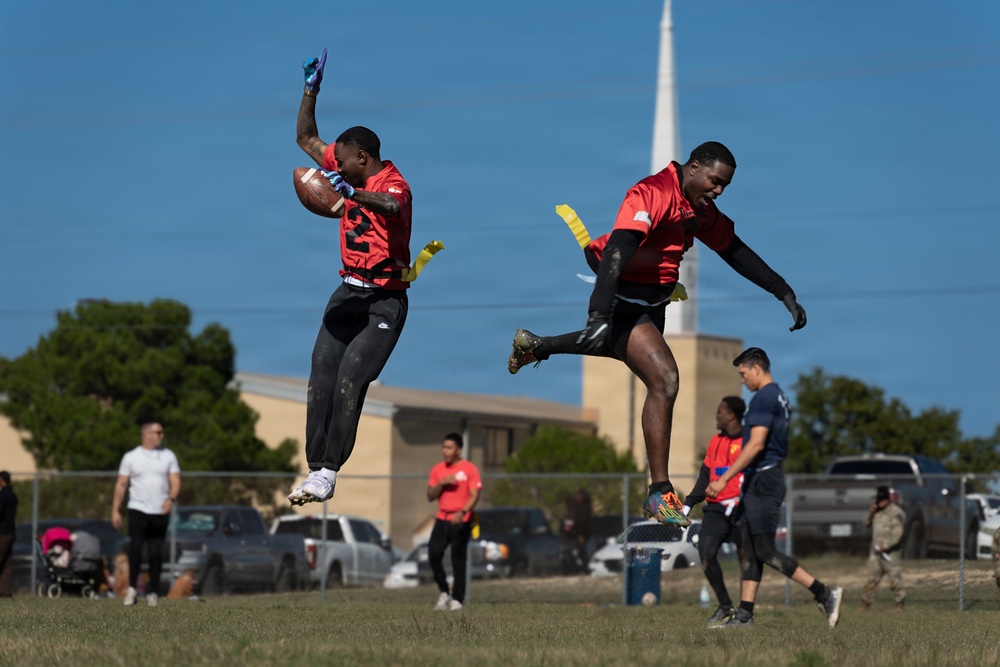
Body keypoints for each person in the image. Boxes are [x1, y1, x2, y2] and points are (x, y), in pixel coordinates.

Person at [507, 142, 807, 527]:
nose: (717, 192)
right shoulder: (652, 193)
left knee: (616, 348)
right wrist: (599, 309)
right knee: (664, 379)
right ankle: (658, 492)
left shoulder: (701, 211)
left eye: (724, 188)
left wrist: (782, 289)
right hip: (620, 296)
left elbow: (735, 250)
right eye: (714, 182)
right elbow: (619, 248)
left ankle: (535, 345)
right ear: (694, 167)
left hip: (654, 304)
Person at [287, 48, 414, 507]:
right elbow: (306, 137)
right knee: (320, 377)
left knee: (350, 380)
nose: (332, 168)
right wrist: (310, 89)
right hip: (348, 291)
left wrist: (353, 192)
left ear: (363, 158)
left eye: (341, 164)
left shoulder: (393, 183)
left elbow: (393, 206)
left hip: (384, 299)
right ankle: (315, 466)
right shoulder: (347, 166)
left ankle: (330, 470)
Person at [706, 347, 842, 629]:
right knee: (749, 547)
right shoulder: (778, 395)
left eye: (743, 374)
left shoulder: (763, 399)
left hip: (764, 482)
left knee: (765, 550)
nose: (742, 381)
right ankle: (744, 616)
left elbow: (755, 444)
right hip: (764, 480)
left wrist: (724, 479)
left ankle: (824, 593)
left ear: (756, 368)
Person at [682, 396, 746, 626]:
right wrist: (687, 506)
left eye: (720, 411)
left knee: (746, 561)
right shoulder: (715, 442)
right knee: (706, 553)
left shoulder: (750, 442)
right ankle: (725, 604)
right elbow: (704, 479)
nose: (716, 415)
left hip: (742, 509)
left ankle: (746, 611)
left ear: (730, 415)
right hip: (717, 508)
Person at [111, 422, 181, 607]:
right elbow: (121, 484)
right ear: (146, 435)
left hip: (160, 510)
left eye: (161, 432)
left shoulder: (168, 456)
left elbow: (175, 480)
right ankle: (132, 590)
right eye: (158, 432)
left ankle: (153, 592)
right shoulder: (131, 457)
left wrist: (171, 499)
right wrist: (115, 510)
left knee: (155, 553)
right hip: (137, 509)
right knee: (135, 549)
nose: (161, 435)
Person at [426, 433, 482, 612]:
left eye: (449, 447)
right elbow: (430, 495)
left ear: (458, 450)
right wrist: (442, 483)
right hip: (442, 518)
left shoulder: (469, 469)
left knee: (458, 558)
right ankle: (444, 591)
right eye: (444, 447)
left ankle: (458, 598)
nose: (445, 451)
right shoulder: (438, 470)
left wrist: (463, 511)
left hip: (461, 519)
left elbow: (475, 495)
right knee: (434, 553)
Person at [860, 485, 906, 611]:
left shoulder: (896, 512)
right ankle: (865, 604)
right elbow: (865, 523)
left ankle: (900, 604)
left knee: (894, 579)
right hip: (875, 552)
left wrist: (885, 546)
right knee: (871, 579)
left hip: (891, 553)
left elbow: (898, 534)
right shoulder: (877, 512)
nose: (878, 503)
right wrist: (871, 512)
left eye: (880, 500)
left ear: (886, 499)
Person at [561, 488, 593, 574]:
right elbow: (569, 522)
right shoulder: (572, 509)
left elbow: (582, 523)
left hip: (578, 534)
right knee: (569, 552)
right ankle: (573, 569)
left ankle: (583, 569)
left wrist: (580, 534)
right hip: (571, 534)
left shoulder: (584, 510)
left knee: (580, 552)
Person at [0, 471, 17, 598]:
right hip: (11, 532)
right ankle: (5, 591)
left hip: (2, 533)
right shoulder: (13, 495)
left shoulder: (3, 495)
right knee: (7, 563)